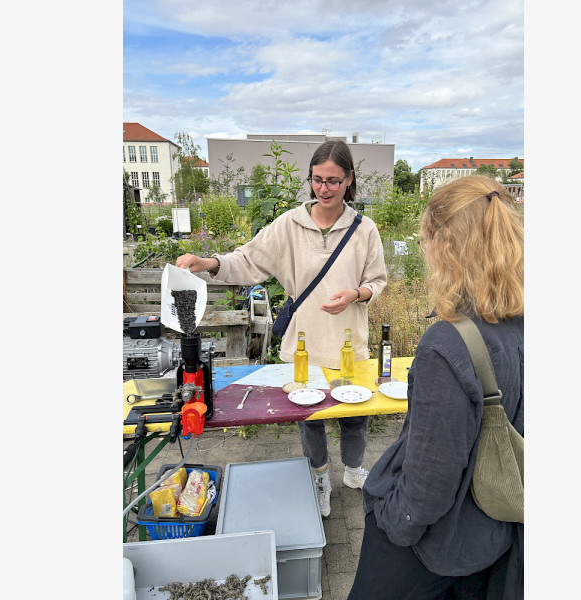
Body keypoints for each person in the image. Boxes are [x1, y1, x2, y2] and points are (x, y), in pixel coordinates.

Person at [175, 140, 388, 517]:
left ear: (349, 180)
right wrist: (207, 262)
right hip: (303, 345)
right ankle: (320, 480)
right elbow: (247, 260)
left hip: (348, 344)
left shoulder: (364, 229)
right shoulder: (289, 224)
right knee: (311, 421)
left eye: (333, 181)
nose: (323, 188)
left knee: (355, 416)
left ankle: (354, 472)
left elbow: (379, 281)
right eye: (317, 179)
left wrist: (356, 293)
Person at [347, 175, 524, 600]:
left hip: (433, 548)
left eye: (426, 241)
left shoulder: (446, 345)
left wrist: (392, 519)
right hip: (493, 536)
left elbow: (428, 485)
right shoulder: (520, 324)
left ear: (445, 247)